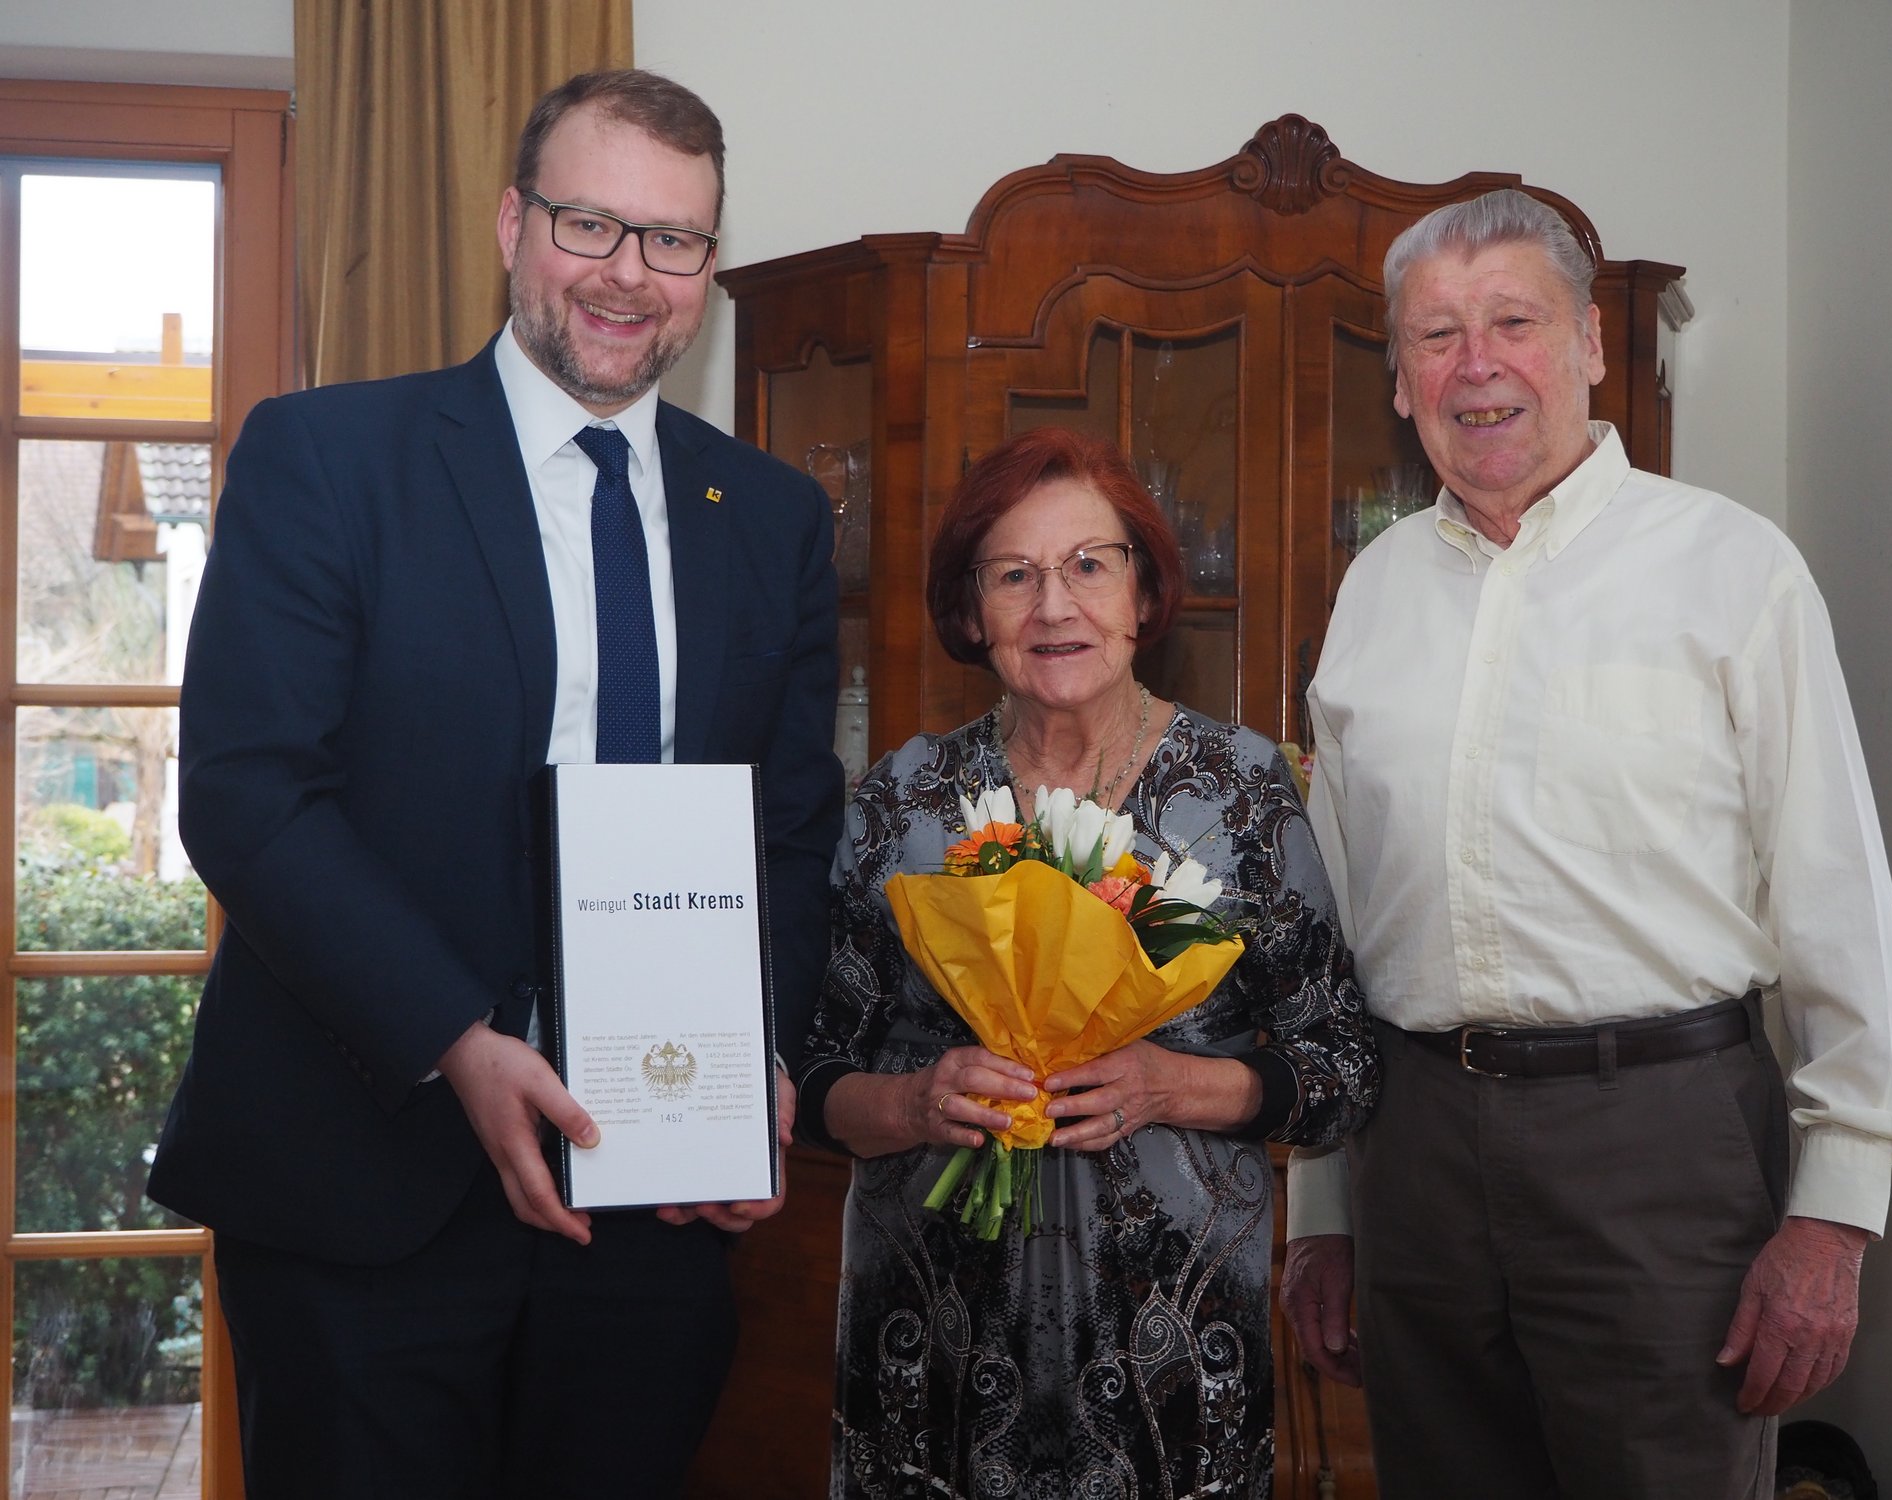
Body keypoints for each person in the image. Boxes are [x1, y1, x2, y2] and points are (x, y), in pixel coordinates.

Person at [146, 70, 843, 1497]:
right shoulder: (331, 459)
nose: (627, 276)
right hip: (363, 1181)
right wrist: (459, 1038)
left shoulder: (767, 518)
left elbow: (784, 827)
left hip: (651, 1194)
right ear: (513, 224)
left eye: (673, 241)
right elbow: (248, 793)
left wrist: (757, 1055)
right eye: (592, 224)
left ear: (707, 269)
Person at [1280, 188, 1892, 1497]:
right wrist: (1323, 1210)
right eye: (1435, 335)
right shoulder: (1375, 591)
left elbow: (1836, 899)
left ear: (1590, 346)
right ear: (1401, 383)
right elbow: (1332, 920)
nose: (1477, 364)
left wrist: (1832, 1212)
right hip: (1411, 1148)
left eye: (1513, 322)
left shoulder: (1733, 571)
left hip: (1663, 1148)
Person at [795, 427, 1379, 1498]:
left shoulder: (1240, 792)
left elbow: (1338, 1066)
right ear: (970, 613)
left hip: (1174, 1347)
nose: (1052, 606)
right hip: (933, 1344)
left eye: (1086, 566)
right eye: (1012, 575)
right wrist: (921, 1104)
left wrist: (1174, 1085)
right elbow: (818, 1079)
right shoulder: (903, 800)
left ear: (1144, 594)